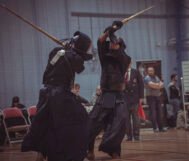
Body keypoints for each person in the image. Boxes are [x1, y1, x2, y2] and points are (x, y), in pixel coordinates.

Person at [21, 31, 93, 161]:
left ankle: (44, 153)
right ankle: (73, 155)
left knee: (50, 124)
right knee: (81, 119)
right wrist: (66, 51)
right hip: (58, 94)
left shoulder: (69, 54)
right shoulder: (61, 52)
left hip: (50, 94)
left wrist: (69, 51)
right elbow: (56, 62)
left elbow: (79, 66)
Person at [87, 21, 131, 160]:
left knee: (120, 122)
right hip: (107, 95)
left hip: (118, 95)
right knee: (93, 123)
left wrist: (112, 33)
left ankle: (114, 151)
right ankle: (89, 150)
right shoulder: (105, 57)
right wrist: (109, 30)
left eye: (115, 43)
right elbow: (100, 41)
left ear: (120, 46)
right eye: (111, 43)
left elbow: (116, 48)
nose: (112, 45)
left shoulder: (124, 58)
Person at [124, 61, 144, 141]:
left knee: (135, 118)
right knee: (126, 119)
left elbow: (141, 84)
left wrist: (141, 97)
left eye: (128, 62)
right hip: (124, 99)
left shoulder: (135, 72)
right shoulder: (121, 72)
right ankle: (129, 136)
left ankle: (136, 135)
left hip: (135, 98)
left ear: (130, 63)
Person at [144, 67, 165, 132]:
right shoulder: (147, 78)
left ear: (154, 71)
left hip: (157, 96)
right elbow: (151, 85)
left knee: (160, 113)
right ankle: (155, 128)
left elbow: (162, 84)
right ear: (147, 71)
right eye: (149, 71)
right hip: (150, 97)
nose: (151, 72)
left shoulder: (156, 77)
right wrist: (158, 85)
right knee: (153, 113)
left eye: (152, 70)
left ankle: (161, 128)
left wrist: (157, 85)